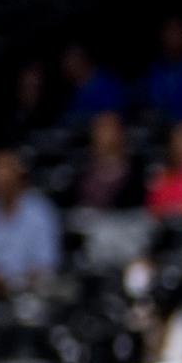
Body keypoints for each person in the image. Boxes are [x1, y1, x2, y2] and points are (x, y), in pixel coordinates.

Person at [0, 149, 60, 295]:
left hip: (29, 296)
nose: (0, 177)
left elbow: (46, 266)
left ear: (19, 174)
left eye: (5, 169)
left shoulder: (40, 212)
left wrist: (11, 283)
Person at [70, 111, 149, 267]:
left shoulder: (136, 170)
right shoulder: (82, 172)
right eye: (100, 129)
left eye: (110, 129)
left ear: (121, 134)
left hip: (127, 230)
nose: (106, 135)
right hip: (92, 232)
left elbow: (138, 210)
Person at [60, 44, 127, 123]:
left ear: (83, 59)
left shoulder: (106, 83)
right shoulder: (75, 90)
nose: (66, 66)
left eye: (71, 60)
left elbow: (113, 114)